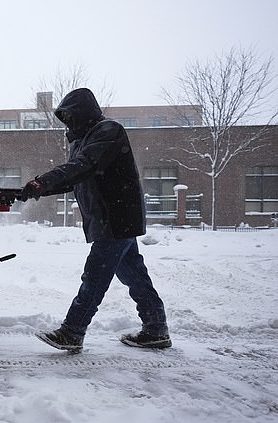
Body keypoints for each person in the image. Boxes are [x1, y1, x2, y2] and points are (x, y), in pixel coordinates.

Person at [20, 88, 171, 352]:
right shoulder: (82, 140)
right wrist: (39, 189)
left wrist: (43, 181)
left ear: (83, 112)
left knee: (95, 277)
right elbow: (74, 178)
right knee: (135, 277)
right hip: (107, 219)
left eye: (71, 115)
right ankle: (156, 329)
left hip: (115, 217)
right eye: (64, 117)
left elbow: (84, 165)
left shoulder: (108, 131)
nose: (68, 121)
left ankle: (72, 331)